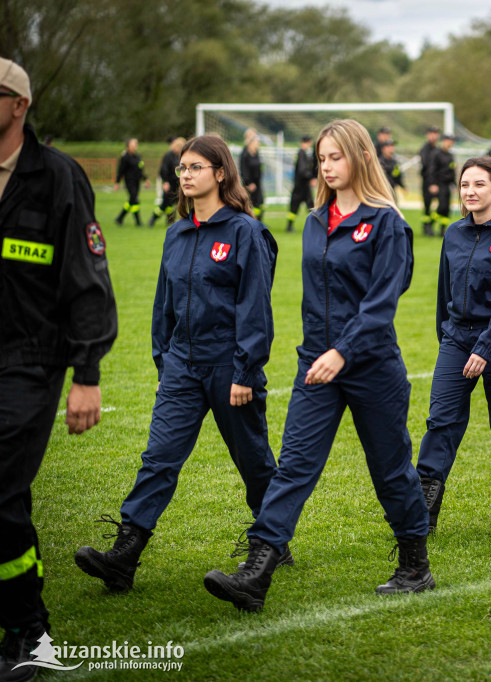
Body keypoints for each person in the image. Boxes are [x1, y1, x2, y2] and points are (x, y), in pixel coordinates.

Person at [203, 119, 432, 609]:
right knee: (293, 468)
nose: (327, 167)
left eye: (336, 157)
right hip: (316, 366)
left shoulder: (388, 222)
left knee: (390, 470)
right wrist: (320, 352)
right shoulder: (313, 221)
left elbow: (381, 303)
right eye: (323, 158)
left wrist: (343, 351)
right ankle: (256, 572)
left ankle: (415, 566)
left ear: (361, 158)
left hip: (370, 366)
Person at [74, 134, 280, 596]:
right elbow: (162, 306)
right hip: (182, 364)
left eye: (195, 168)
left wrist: (246, 371)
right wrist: (164, 360)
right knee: (159, 458)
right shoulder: (176, 232)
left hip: (230, 363)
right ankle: (124, 554)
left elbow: (255, 309)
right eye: (181, 168)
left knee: (254, 463)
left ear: (221, 173)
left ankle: (272, 539)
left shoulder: (246, 231)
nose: (184, 175)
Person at [0, 58, 117, 677]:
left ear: (20, 104)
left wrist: (87, 373)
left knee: (0, 491)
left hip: (31, 360)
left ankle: (27, 628)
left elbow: (87, 279)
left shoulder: (57, 177)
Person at [415, 156, 491, 531]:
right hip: (457, 339)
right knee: (441, 421)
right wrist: (448, 339)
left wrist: (485, 348)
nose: (470, 191)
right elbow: (444, 291)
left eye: (480, 184)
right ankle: (423, 510)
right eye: (465, 185)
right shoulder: (453, 233)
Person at [114, 137, 149, 226]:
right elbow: (121, 170)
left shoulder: (138, 156)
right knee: (134, 199)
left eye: (136, 144)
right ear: (128, 146)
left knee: (132, 200)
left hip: (137, 181)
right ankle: (138, 222)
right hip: (129, 181)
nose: (135, 146)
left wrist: (145, 179)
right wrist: (117, 182)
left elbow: (140, 169)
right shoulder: (125, 157)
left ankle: (120, 218)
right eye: (133, 144)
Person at [286, 135, 317, 233]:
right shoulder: (301, 153)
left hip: (303, 186)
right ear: (307, 142)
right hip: (300, 186)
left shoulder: (304, 154)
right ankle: (289, 227)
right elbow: (302, 170)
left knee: (310, 206)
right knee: (294, 207)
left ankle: (314, 227)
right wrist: (311, 177)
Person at [150, 137, 184, 227]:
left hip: (177, 184)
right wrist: (165, 182)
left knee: (175, 204)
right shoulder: (168, 156)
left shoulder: (180, 156)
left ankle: (170, 221)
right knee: (164, 205)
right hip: (169, 183)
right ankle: (153, 219)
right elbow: (163, 170)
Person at [428, 133, 456, 234]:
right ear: (444, 141)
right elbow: (432, 170)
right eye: (449, 141)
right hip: (439, 184)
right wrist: (433, 184)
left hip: (448, 184)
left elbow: (452, 171)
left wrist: (455, 185)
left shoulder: (450, 155)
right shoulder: (436, 154)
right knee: (441, 206)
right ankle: (430, 223)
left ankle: (442, 230)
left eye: (452, 141)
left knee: (447, 208)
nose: (450, 143)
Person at [419, 125, 440, 236]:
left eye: (436, 133)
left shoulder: (437, 149)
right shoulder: (425, 149)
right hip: (428, 181)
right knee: (427, 205)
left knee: (441, 205)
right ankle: (426, 227)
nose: (434, 136)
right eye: (432, 133)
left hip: (437, 181)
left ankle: (431, 224)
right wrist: (431, 183)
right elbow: (427, 166)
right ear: (428, 135)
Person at [239, 129, 263, 220]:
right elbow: (244, 170)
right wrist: (249, 183)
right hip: (250, 185)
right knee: (250, 204)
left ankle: (258, 221)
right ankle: (250, 221)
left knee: (259, 203)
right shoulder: (245, 154)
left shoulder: (256, 153)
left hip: (257, 183)